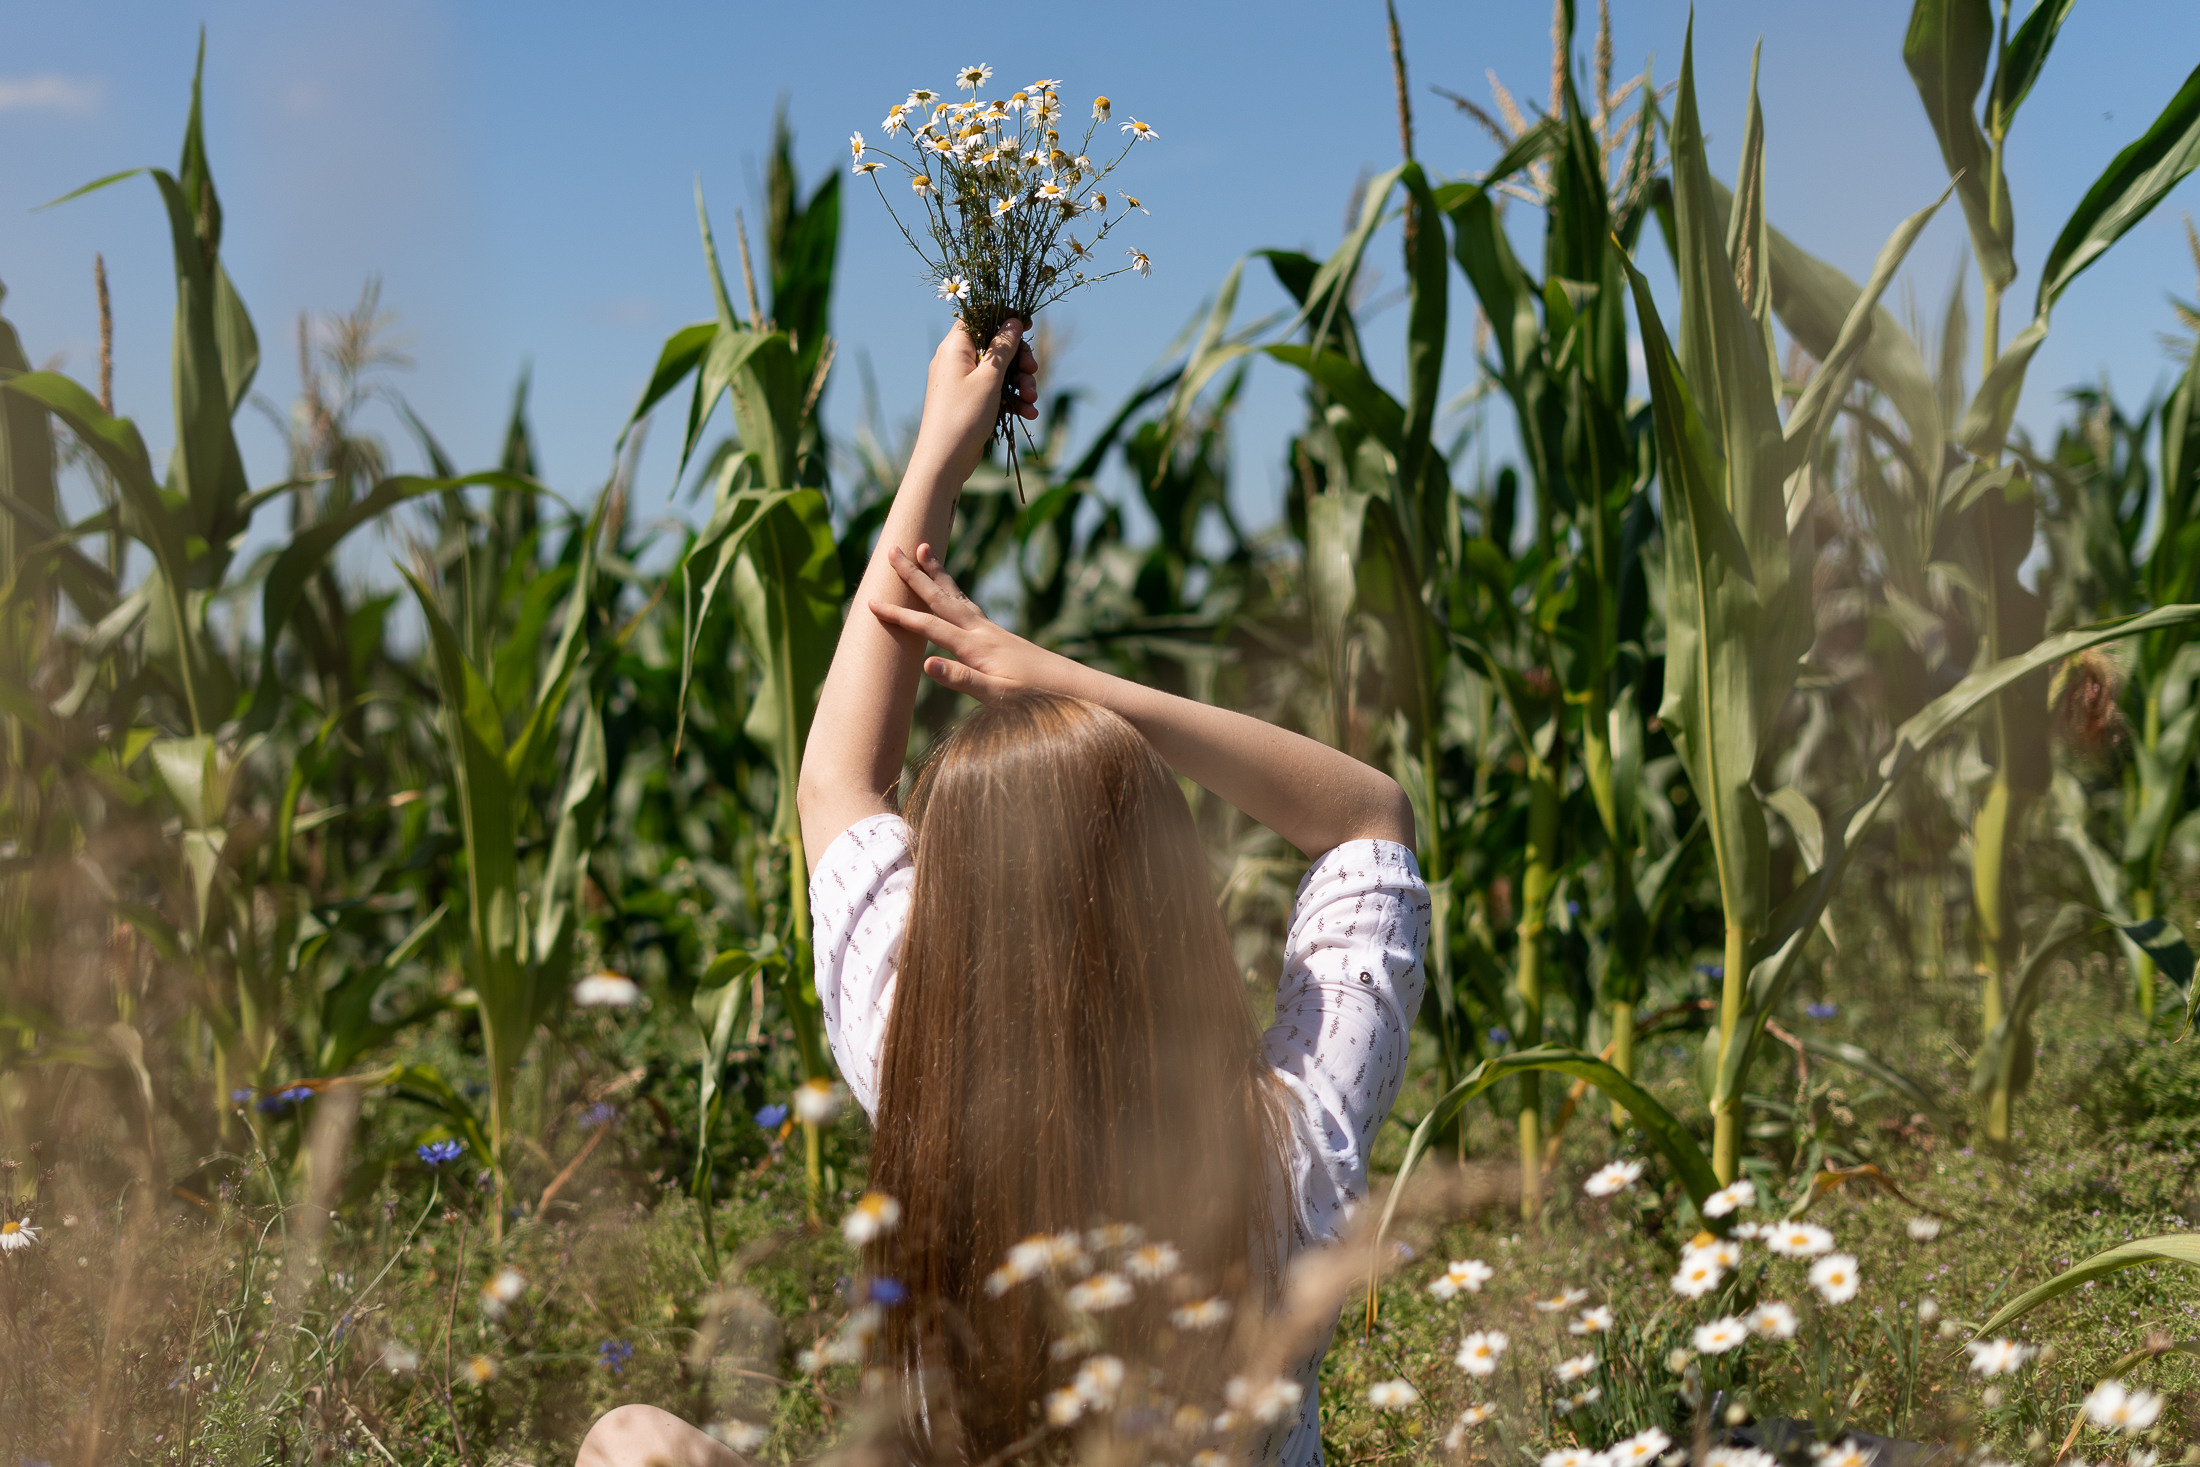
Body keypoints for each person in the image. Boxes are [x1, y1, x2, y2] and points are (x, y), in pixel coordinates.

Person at [578, 318, 1426, 1467]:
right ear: (1168, 902)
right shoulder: (1290, 1158)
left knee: (633, 1442)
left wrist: (939, 450)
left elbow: (836, 783)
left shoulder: (912, 1074)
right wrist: (1063, 682)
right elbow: (1371, 818)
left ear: (955, 924)